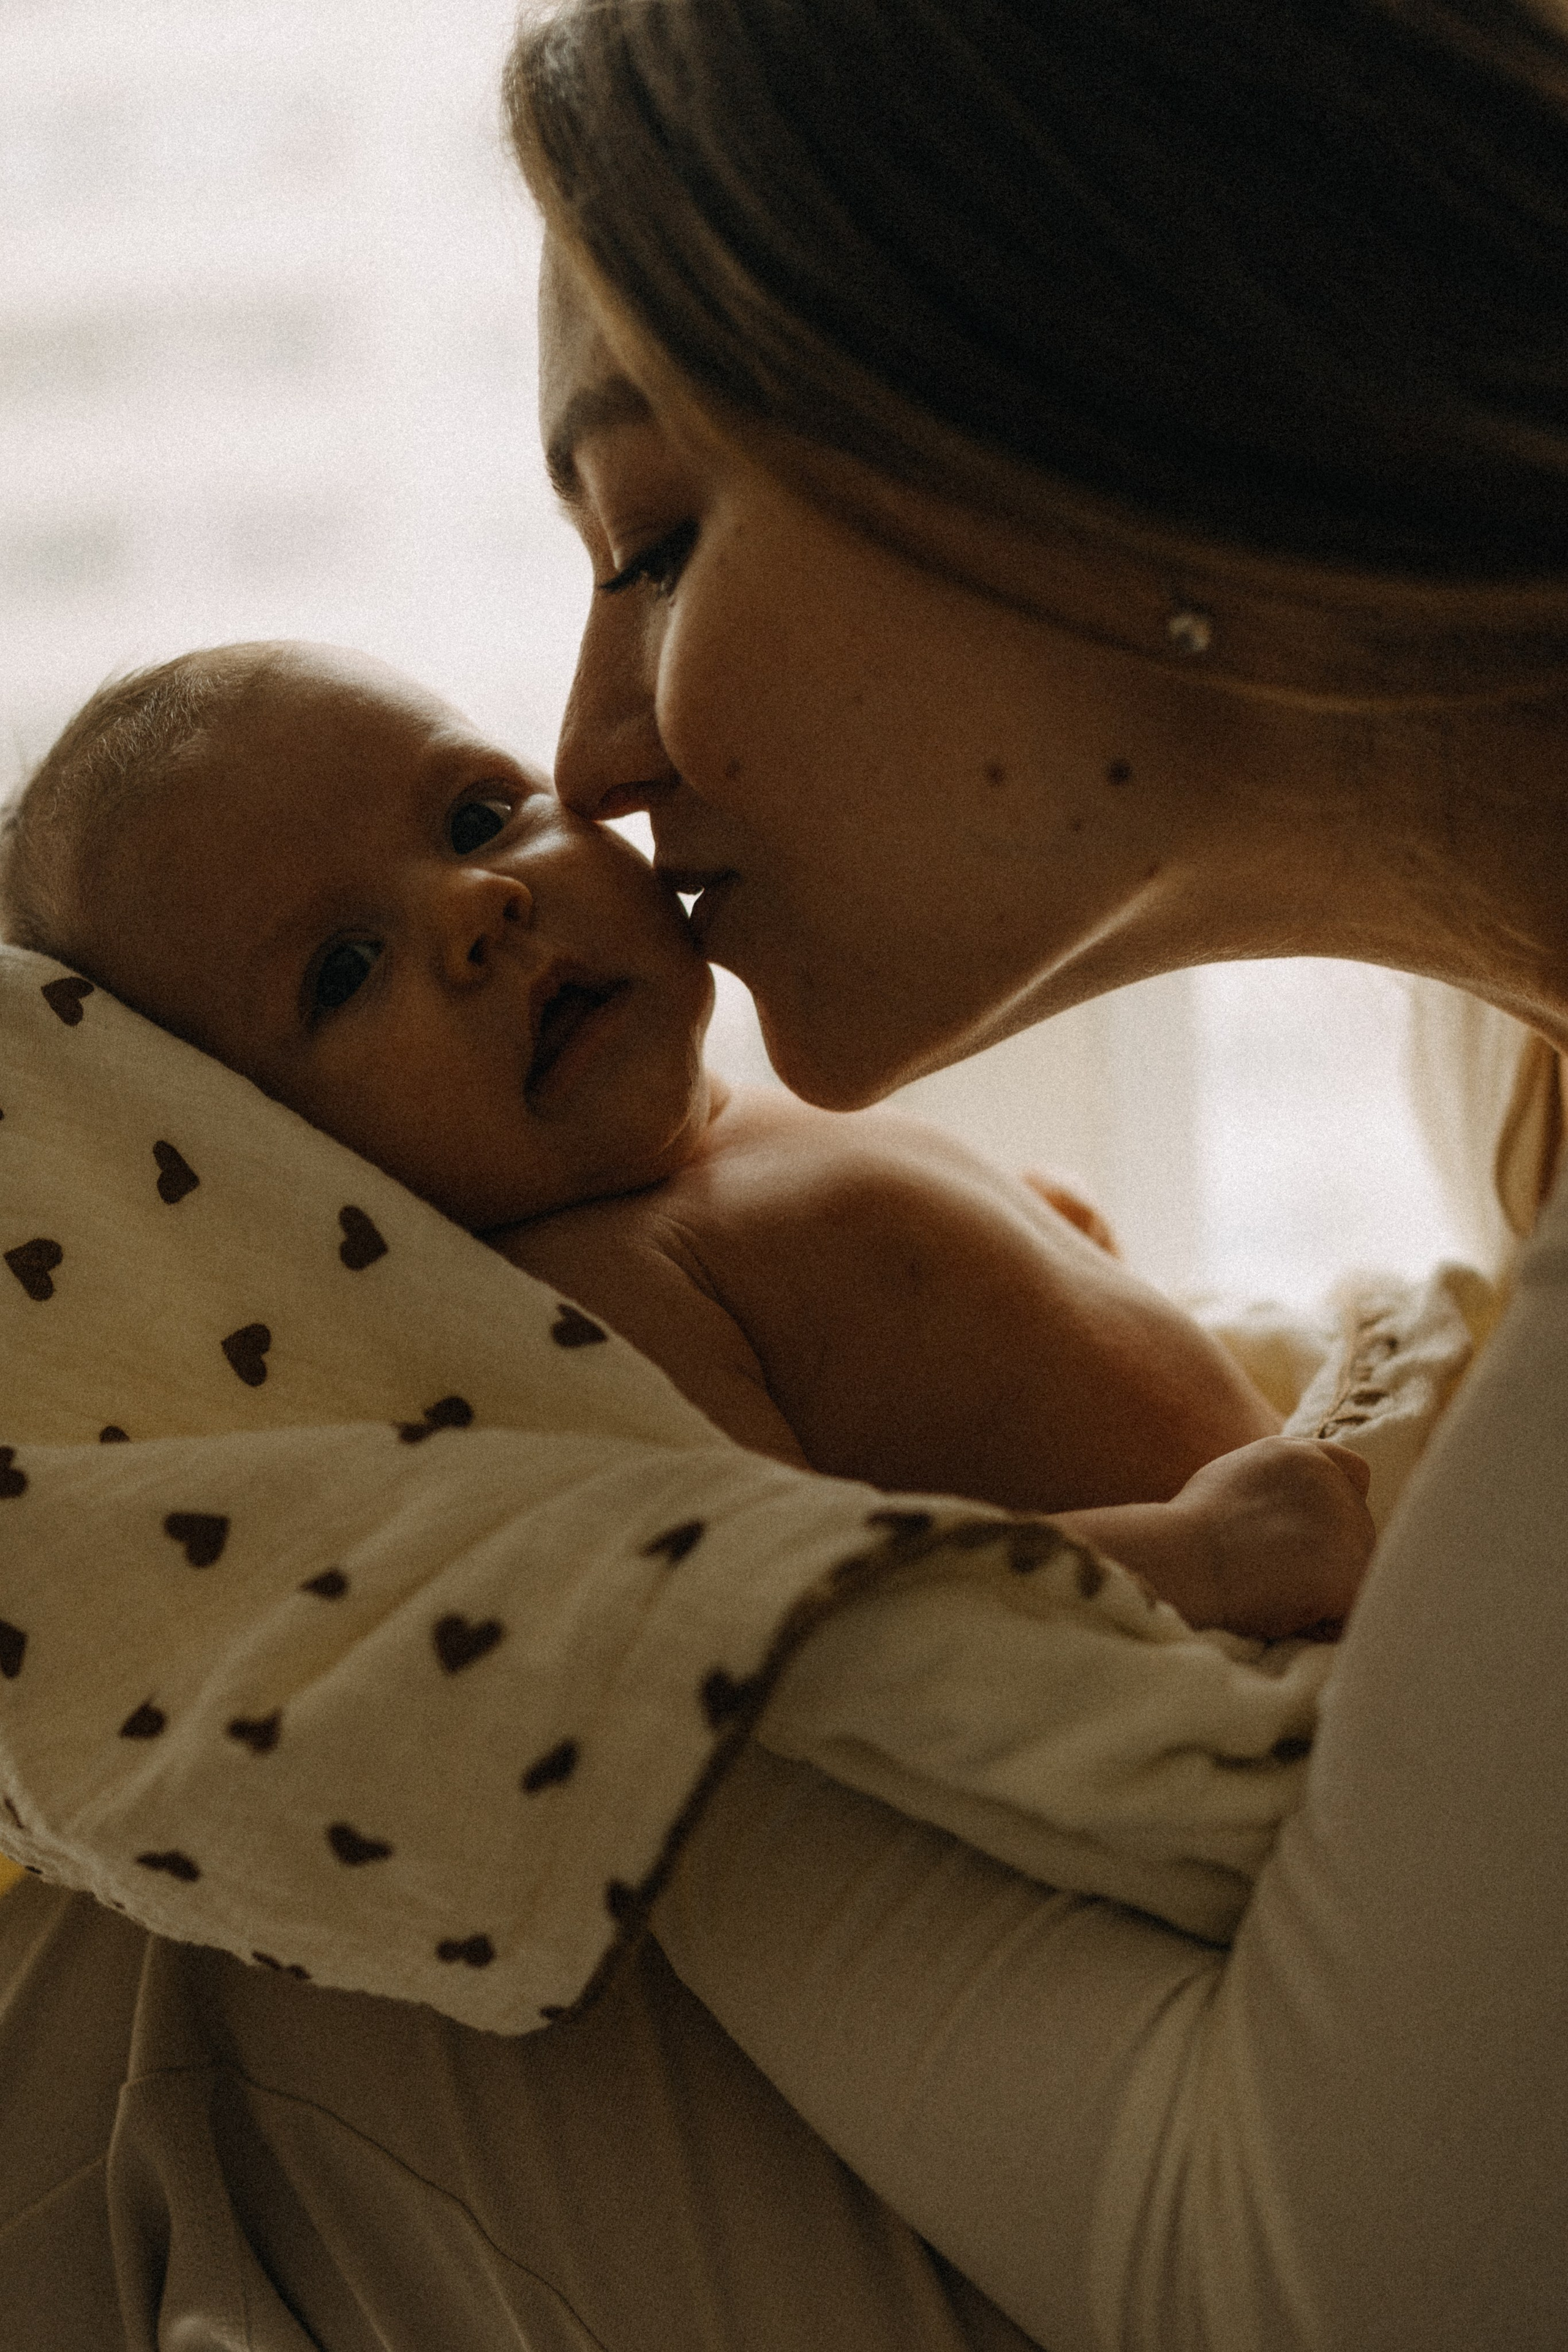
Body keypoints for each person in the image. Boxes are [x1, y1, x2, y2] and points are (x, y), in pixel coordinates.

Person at [4, 1, 1567, 2345]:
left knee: (198, 1994)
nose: (586, 761)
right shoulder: (1500, 1055)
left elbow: (1330, 2291)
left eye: (654, 542)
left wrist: (551, 1651)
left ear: (1092, 408)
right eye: (338, 972)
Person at [0, 635, 1371, 1638]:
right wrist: (1191, 1560)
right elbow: (819, 1621)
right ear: (275, 1168)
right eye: (344, 970)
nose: (476, 903)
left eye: (478, 815)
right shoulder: (597, 1294)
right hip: (1232, 1641)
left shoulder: (737, 1129)